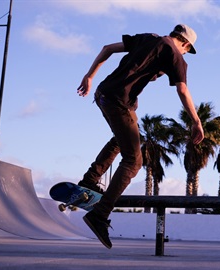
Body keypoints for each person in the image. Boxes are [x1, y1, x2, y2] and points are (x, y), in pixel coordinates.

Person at [76, 24, 204, 249]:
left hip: (103, 93)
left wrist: (89, 76)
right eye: (187, 50)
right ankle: (99, 215)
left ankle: (90, 180)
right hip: (118, 102)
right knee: (134, 161)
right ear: (185, 43)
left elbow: (107, 48)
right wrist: (196, 121)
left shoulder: (148, 38)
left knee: (123, 138)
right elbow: (182, 90)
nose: (185, 54)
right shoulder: (176, 56)